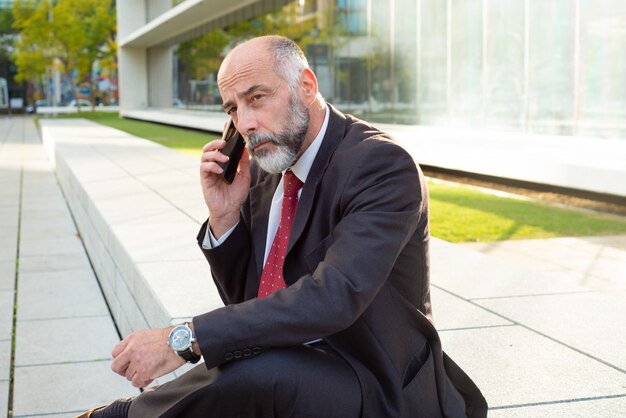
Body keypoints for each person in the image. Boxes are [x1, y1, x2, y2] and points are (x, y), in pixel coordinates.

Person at [76, 35, 486, 418]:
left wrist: (185, 337)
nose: (246, 124)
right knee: (248, 365)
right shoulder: (266, 169)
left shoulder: (380, 166)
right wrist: (225, 217)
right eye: (233, 109)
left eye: (257, 98)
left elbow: (333, 298)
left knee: (252, 373)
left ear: (306, 84)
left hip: (374, 379)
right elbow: (251, 302)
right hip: (294, 362)